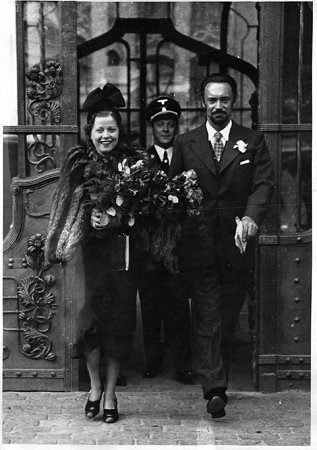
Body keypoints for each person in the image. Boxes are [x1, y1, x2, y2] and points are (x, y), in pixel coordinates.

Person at [169, 73, 274, 418]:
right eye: (212, 100)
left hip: (236, 247)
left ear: (233, 101)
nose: (218, 107)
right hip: (199, 246)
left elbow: (262, 185)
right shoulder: (187, 143)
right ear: (203, 102)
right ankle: (215, 388)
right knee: (208, 316)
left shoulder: (252, 141)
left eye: (224, 100)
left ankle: (218, 376)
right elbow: (173, 193)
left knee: (227, 319)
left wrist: (250, 219)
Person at [45, 83, 145, 424]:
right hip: (86, 259)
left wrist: (115, 217)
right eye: (100, 130)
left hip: (120, 258)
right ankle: (95, 388)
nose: (106, 136)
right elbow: (65, 208)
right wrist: (86, 220)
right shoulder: (78, 165)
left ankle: (113, 392)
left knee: (117, 326)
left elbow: (144, 213)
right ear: (91, 133)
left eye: (112, 129)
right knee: (89, 325)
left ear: (119, 131)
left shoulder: (134, 165)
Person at [137, 96, 195, 384]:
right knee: (150, 306)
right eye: (160, 124)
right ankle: (152, 362)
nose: (165, 129)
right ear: (152, 127)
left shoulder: (187, 158)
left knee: (178, 307)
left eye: (170, 123)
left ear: (176, 126)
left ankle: (182, 365)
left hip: (178, 247)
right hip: (149, 248)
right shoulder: (141, 161)